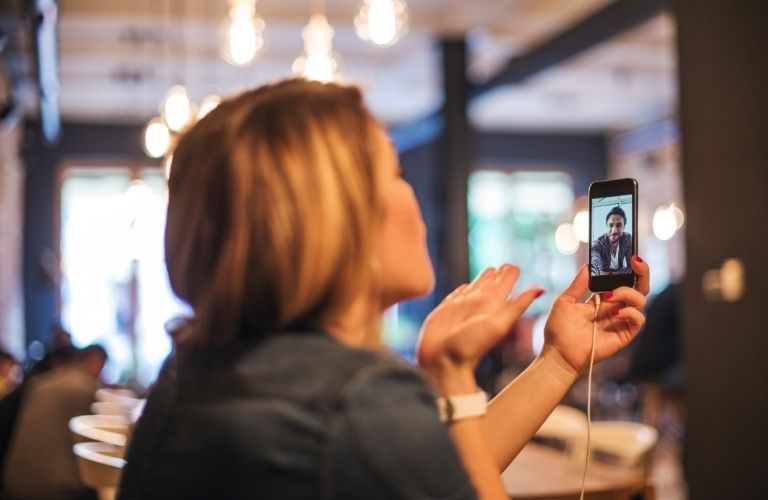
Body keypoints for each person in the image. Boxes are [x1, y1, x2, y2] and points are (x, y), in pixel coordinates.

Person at [118, 79, 649, 500]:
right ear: (340, 223)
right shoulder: (353, 399)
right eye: (393, 172)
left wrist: (556, 361)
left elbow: (432, 478)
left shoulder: (199, 370)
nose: (410, 192)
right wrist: (455, 380)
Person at [1, 344, 107, 500]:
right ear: (96, 361)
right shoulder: (83, 387)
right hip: (51, 490)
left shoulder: (41, 383)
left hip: (11, 483)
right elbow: (94, 444)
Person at [590, 206, 633, 276]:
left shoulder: (627, 239)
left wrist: (612, 274)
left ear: (624, 227)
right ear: (606, 227)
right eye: (611, 225)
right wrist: (593, 272)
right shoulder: (598, 244)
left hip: (620, 279)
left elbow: (631, 267)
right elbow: (594, 263)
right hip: (603, 280)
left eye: (619, 225)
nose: (614, 231)